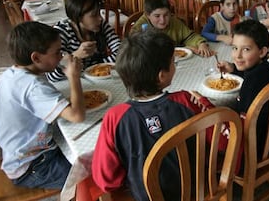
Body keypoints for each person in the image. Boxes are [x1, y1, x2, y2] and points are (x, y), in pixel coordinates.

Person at [91, 30, 214, 201]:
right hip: (194, 190)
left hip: (145, 196)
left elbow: (106, 180)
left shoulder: (115, 116)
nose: (175, 66)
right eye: (173, 62)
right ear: (161, 76)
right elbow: (217, 136)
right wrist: (203, 101)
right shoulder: (185, 100)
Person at [0, 22, 85, 189]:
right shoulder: (33, 88)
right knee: (90, 176)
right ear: (36, 58)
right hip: (34, 165)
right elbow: (77, 116)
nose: (61, 56)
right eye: (57, 52)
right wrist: (74, 77)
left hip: (24, 152)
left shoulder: (13, 73)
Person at [217, 20, 269, 157]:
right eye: (234, 48)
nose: (237, 55)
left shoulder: (251, 82)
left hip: (254, 147)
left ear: (262, 51)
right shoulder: (266, 68)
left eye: (246, 49)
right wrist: (233, 68)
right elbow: (252, 73)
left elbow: (242, 119)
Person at [46, 0, 121, 82]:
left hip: (102, 79)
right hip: (74, 83)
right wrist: (75, 55)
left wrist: (98, 68)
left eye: (99, 13)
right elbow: (52, 76)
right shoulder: (62, 33)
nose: (100, 18)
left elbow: (121, 51)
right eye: (94, 15)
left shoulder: (101, 25)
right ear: (77, 18)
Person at [130, 0, 213, 57]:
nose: (162, 20)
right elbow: (137, 51)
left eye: (166, 15)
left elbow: (190, 36)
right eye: (157, 16)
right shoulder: (140, 28)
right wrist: (184, 48)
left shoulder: (173, 21)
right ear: (148, 15)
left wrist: (201, 43)